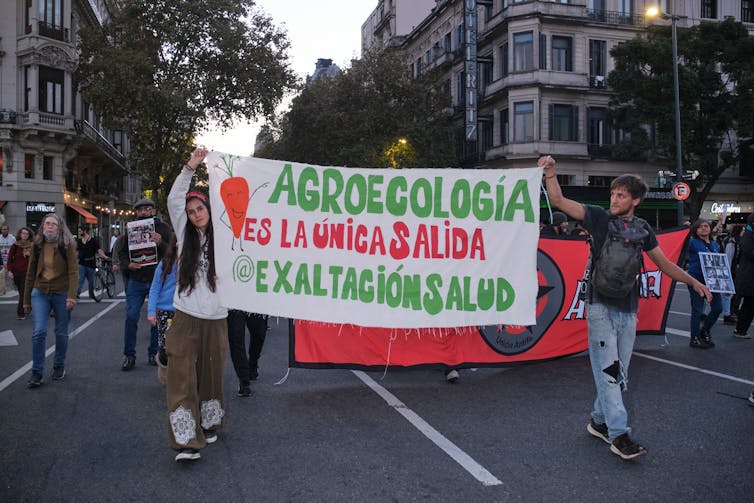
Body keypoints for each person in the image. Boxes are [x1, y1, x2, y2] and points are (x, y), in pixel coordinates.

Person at [541, 156, 710, 460]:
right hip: (600, 308)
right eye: (613, 194)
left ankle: (599, 421)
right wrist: (551, 174)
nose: (614, 199)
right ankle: (620, 435)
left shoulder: (644, 228)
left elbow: (664, 264)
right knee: (609, 371)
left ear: (636, 200)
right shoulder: (598, 218)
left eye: (621, 195)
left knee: (619, 373)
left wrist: (693, 282)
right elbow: (559, 200)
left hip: (628, 310)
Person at [165, 147, 228, 462]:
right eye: (190, 212)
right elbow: (174, 200)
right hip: (186, 315)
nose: (194, 214)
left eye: (199, 209)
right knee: (181, 374)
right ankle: (187, 439)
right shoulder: (183, 233)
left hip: (217, 316)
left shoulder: (228, 236)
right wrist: (190, 166)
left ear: (209, 209)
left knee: (212, 373)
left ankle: (210, 421)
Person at [23, 213, 78, 388]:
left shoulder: (67, 245)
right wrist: (25, 301)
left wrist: (71, 296)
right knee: (39, 331)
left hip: (61, 292)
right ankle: (37, 372)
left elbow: (73, 272)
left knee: (61, 332)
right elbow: (30, 272)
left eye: (53, 224)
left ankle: (58, 365)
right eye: (47, 223)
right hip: (40, 292)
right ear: (42, 226)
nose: (50, 226)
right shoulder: (38, 245)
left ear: (60, 227)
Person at [118, 199, 172, 370]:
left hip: (157, 280)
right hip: (136, 278)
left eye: (148, 209)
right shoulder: (131, 229)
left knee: (156, 318)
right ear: (137, 212)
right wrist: (128, 265)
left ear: (154, 210)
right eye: (141, 210)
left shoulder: (164, 229)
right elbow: (122, 253)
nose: (145, 212)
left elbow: (173, 252)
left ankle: (153, 352)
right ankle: (129, 355)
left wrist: (161, 243)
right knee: (131, 316)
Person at [685, 219, 724, 349]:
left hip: (713, 280)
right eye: (700, 227)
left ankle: (705, 330)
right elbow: (682, 245)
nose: (704, 228)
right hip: (697, 279)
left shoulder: (715, 244)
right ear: (695, 230)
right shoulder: (692, 242)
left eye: (706, 226)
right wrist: (684, 230)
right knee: (697, 309)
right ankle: (694, 337)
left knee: (718, 308)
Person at [148, 234, 178, 384]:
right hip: (164, 310)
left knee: (182, 346)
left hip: (184, 311)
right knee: (165, 346)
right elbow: (155, 288)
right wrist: (151, 312)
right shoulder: (165, 262)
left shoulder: (193, 263)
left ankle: (178, 377)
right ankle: (164, 369)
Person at [227, 310, 269, 396]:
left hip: (255, 301)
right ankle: (244, 380)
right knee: (236, 338)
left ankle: (253, 364)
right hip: (234, 303)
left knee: (259, 333)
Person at [733, 214, 754, 340]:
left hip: (750, 277)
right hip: (749, 277)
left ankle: (741, 329)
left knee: (749, 306)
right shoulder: (748, 236)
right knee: (749, 306)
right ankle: (740, 329)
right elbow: (750, 253)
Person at [7, 227, 35, 319]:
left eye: (26, 234)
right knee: (22, 292)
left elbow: (37, 259)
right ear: (20, 234)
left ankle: (21, 313)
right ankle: (27, 306)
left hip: (28, 273)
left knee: (23, 292)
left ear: (29, 235)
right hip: (16, 273)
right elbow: (10, 259)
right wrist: (10, 270)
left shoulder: (32, 246)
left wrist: (30, 255)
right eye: (23, 233)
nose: (25, 235)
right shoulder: (15, 246)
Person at [76, 226, 107, 299]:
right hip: (82, 263)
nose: (79, 233)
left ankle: (91, 294)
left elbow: (98, 250)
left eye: (80, 231)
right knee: (80, 280)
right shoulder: (79, 241)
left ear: (84, 231)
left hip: (91, 263)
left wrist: (104, 256)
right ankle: (76, 294)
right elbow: (76, 252)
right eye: (78, 231)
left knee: (91, 281)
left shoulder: (93, 241)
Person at [0, 223, 16, 295]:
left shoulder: (12, 238)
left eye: (6, 229)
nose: (5, 231)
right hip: (1, 260)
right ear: (1, 230)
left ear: (8, 230)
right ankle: (3, 290)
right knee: (2, 277)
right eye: (3, 229)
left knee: (10, 276)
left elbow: (15, 249)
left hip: (10, 260)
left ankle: (13, 289)